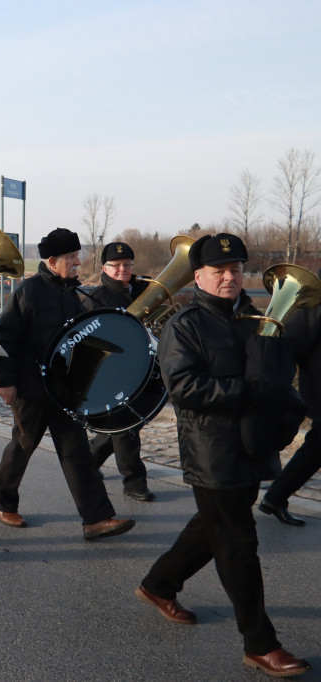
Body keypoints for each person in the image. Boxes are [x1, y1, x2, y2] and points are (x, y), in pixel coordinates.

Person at [137, 233, 309, 677]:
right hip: (212, 450)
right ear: (200, 277)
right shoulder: (185, 325)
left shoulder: (254, 318)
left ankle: (159, 584)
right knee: (238, 545)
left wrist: (284, 411)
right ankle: (260, 643)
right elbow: (185, 389)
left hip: (254, 446)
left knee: (210, 527)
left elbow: (275, 375)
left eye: (235, 270)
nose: (230, 277)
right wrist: (247, 393)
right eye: (220, 271)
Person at [0, 227, 135, 540]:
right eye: (71, 257)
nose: (78, 262)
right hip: (29, 388)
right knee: (23, 445)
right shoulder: (28, 292)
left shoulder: (74, 292)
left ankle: (96, 519)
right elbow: (3, 337)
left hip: (65, 390)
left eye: (77, 256)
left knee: (77, 452)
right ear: (53, 261)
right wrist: (6, 381)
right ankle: (3, 502)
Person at [83, 241, 155, 501]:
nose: (123, 269)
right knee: (126, 425)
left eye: (127, 265)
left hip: (140, 367)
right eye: (116, 265)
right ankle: (134, 481)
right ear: (105, 267)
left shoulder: (143, 291)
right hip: (110, 371)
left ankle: (89, 461)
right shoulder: (96, 298)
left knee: (120, 425)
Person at [257, 267, 321, 526]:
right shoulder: (316, 295)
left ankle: (275, 497)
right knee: (317, 446)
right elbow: (293, 344)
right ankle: (275, 496)